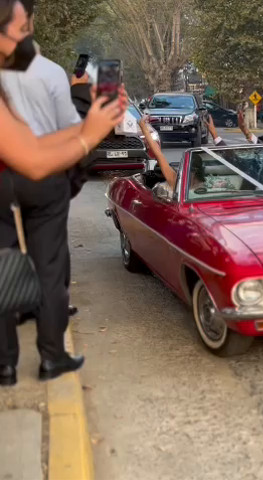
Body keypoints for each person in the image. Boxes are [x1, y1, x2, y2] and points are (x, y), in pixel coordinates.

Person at [0, 0, 126, 386]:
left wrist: (92, 125)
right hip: (43, 177)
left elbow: (27, 145)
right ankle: (51, 358)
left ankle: (4, 366)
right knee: (51, 271)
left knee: (3, 264)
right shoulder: (51, 73)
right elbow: (39, 156)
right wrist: (89, 131)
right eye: (17, 31)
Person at [2, 0, 84, 326]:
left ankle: (16, 312)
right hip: (44, 168)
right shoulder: (51, 71)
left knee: (8, 245)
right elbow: (69, 127)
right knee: (51, 249)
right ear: (30, 24)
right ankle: (53, 318)